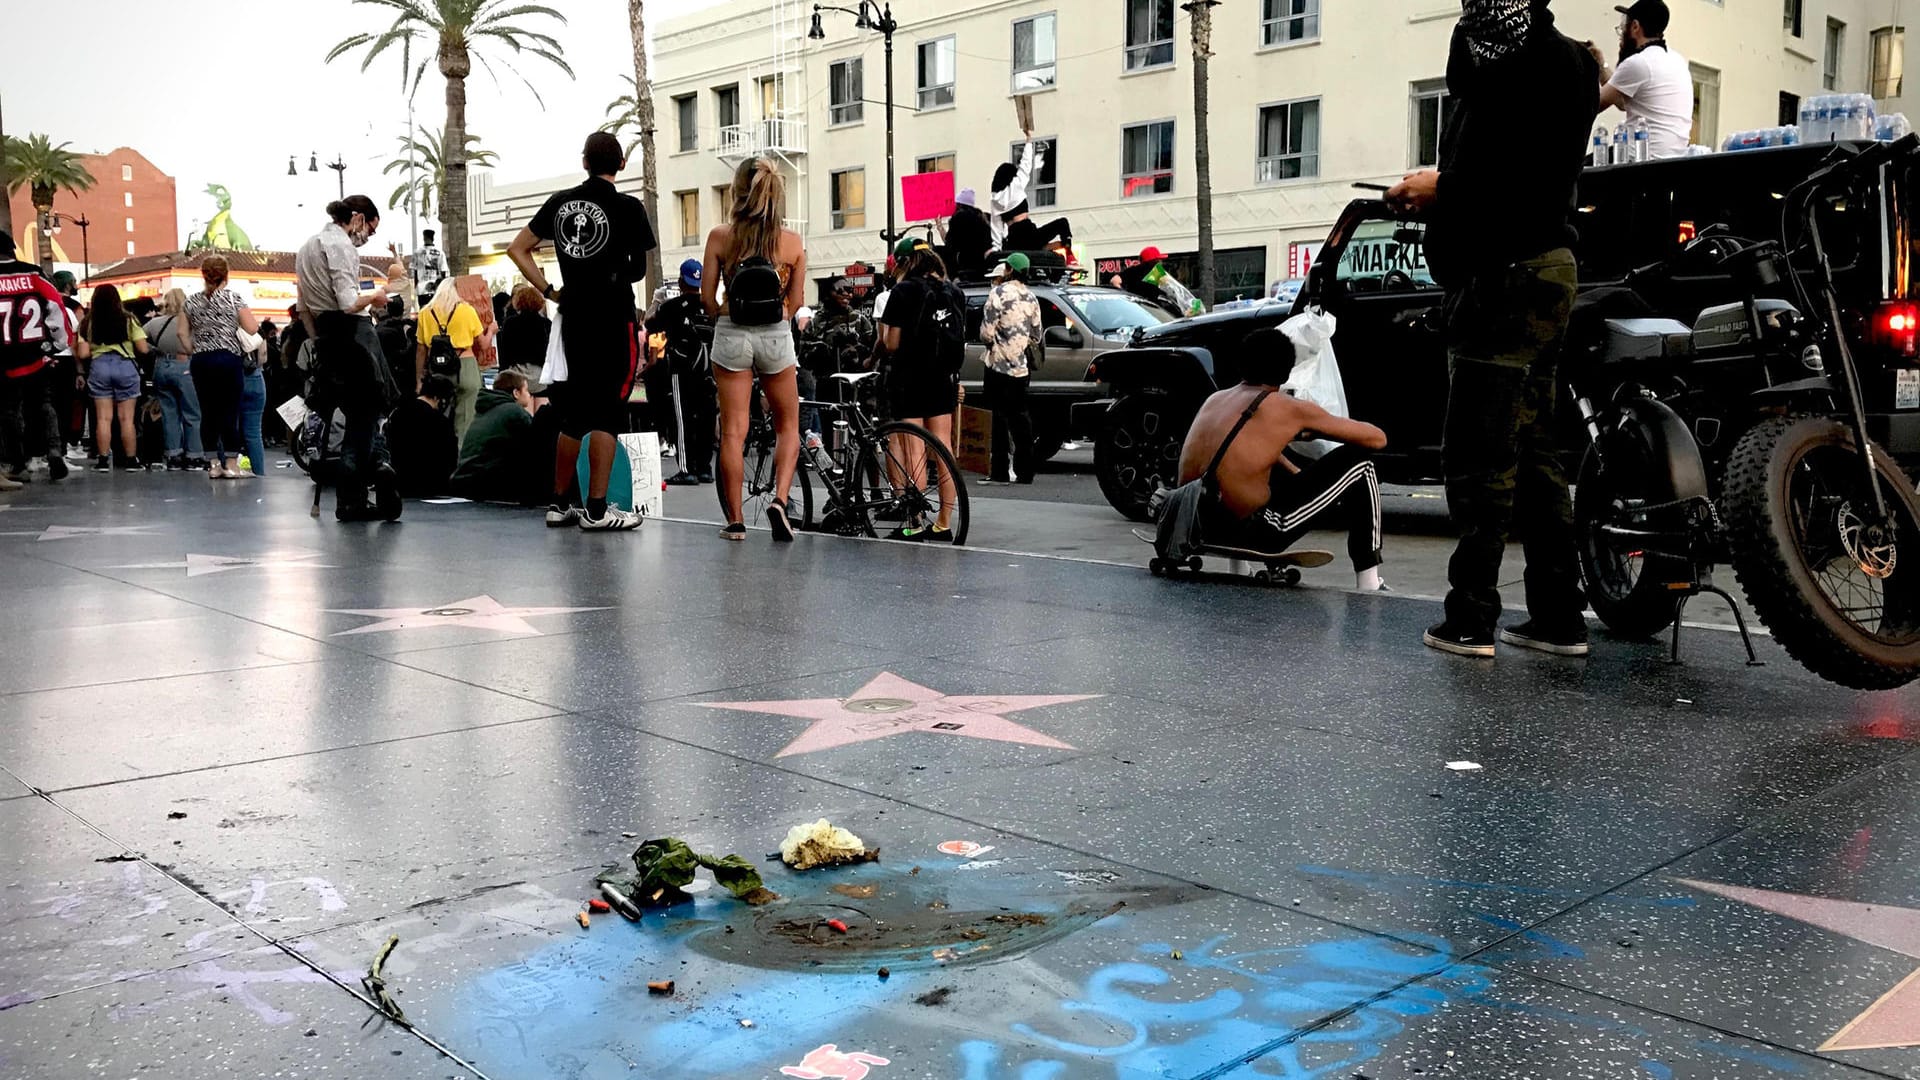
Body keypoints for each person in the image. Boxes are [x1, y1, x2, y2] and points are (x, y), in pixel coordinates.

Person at [1388, 0, 1598, 657]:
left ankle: (1471, 619)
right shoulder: (1554, 61)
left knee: (1482, 456)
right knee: (1535, 452)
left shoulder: (1527, 68)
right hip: (1543, 268)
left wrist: (1442, 187)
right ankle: (1558, 616)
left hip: (1504, 273)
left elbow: (1516, 179)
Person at [505, 130, 655, 532]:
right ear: (621, 164)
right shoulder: (629, 207)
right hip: (613, 316)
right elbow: (638, 269)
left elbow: (517, 248)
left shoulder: (560, 203)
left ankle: (558, 503)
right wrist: (610, 273)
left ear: (584, 162)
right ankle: (597, 509)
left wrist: (550, 290)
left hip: (573, 315)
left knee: (571, 413)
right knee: (608, 412)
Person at [1175, 327, 1389, 590]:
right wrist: (1310, 433)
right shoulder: (1287, 407)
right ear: (1287, 372)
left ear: (1241, 364)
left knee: (1241, 472)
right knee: (1361, 463)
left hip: (1192, 523)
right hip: (1256, 533)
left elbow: (1243, 457)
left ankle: (1238, 567)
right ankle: (1369, 581)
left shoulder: (1215, 399)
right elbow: (1377, 439)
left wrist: (1296, 470)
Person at [701, 154, 807, 542]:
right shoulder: (792, 243)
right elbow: (794, 303)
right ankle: (779, 500)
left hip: (732, 333)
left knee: (733, 432)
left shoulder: (720, 237)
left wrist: (724, 311)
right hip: (775, 335)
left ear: (737, 192)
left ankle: (735, 521)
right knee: (788, 425)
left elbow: (707, 300)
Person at [296, 194, 401, 521]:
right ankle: (354, 495)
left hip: (327, 338)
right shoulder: (340, 247)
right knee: (365, 417)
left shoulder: (306, 248)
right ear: (357, 218)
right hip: (353, 337)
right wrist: (376, 295)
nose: (368, 236)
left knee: (357, 415)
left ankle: (374, 472)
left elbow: (303, 308)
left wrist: (319, 343)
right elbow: (347, 302)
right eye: (370, 228)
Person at [875, 237, 963, 541]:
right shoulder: (952, 291)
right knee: (943, 447)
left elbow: (891, 343)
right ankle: (944, 522)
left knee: (915, 448)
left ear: (904, 263)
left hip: (910, 377)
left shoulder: (903, 291)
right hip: (943, 377)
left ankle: (914, 521)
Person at [0, 231, 72, 487]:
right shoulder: (33, 274)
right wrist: (58, 344)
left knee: (9, 410)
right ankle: (54, 450)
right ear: (12, 250)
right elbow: (55, 306)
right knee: (43, 403)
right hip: (34, 353)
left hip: (4, 357)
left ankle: (18, 463)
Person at [184, 255, 262, 479]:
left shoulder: (190, 302)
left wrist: (195, 348)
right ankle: (231, 464)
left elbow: (182, 332)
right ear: (226, 275)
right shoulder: (233, 299)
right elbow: (252, 327)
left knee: (207, 412)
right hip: (228, 359)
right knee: (230, 411)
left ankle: (213, 465)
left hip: (201, 361)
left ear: (203, 274)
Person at [1592, 0, 1692, 160]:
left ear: (1635, 27)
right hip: (1672, 162)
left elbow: (1591, 105)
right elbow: (1621, 103)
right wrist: (1601, 64)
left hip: (1640, 161)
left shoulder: (1639, 63)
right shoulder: (1677, 60)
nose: (1621, 36)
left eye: (1623, 28)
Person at [648, 259, 714, 485]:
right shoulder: (710, 306)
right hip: (708, 370)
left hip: (681, 369)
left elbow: (650, 326)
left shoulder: (671, 307)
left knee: (681, 418)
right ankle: (705, 467)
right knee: (706, 417)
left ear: (680, 280)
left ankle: (687, 468)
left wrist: (657, 302)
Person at [980, 252, 1042, 485]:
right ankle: (1026, 471)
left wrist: (995, 342)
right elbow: (1036, 333)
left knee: (997, 419)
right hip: (1020, 367)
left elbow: (986, 332)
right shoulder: (1032, 297)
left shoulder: (998, 293)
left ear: (1008, 269)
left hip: (997, 364)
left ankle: (999, 472)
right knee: (1021, 418)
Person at [75, 284, 151, 472]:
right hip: (125, 366)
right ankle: (131, 461)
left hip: (99, 367)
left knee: (103, 418)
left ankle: (102, 461)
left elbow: (83, 353)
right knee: (126, 419)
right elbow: (143, 348)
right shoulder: (129, 319)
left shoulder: (87, 322)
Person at [450, 369, 542, 501]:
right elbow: (535, 443)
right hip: (486, 483)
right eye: (526, 390)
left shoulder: (484, 411)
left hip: (463, 479)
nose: (529, 395)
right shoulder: (514, 412)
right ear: (516, 393)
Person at [142, 288, 205, 470]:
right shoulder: (193, 322)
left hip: (162, 366)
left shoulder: (155, 323)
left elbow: (137, 339)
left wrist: (155, 350)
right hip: (185, 366)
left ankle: (173, 455)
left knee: (169, 413)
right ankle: (194, 456)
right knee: (192, 413)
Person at [416, 277, 486, 442]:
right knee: (466, 420)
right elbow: (483, 344)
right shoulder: (467, 311)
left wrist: (419, 379)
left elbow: (421, 350)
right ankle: (461, 458)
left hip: (437, 369)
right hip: (465, 366)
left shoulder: (426, 313)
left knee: (436, 419)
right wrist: (492, 331)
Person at [991, 136, 1073, 255]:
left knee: (1035, 245)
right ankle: (1068, 251)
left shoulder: (995, 200)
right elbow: (1026, 165)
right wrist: (1029, 141)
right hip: (1029, 234)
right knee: (1062, 223)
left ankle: (1049, 248)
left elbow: (996, 227)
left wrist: (996, 248)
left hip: (1014, 240)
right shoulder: (1016, 185)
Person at [384, 373, 458, 497]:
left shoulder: (398, 413)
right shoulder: (440, 422)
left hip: (401, 482)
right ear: (438, 398)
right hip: (432, 485)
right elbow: (450, 456)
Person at [495, 284, 552, 399]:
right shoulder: (546, 323)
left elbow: (505, 353)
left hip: (517, 376)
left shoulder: (510, 323)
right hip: (541, 377)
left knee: (524, 413)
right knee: (541, 411)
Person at [941, 188, 993, 279]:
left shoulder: (958, 218)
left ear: (958, 204)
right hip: (983, 264)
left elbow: (950, 244)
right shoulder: (982, 217)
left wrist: (939, 227)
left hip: (965, 264)